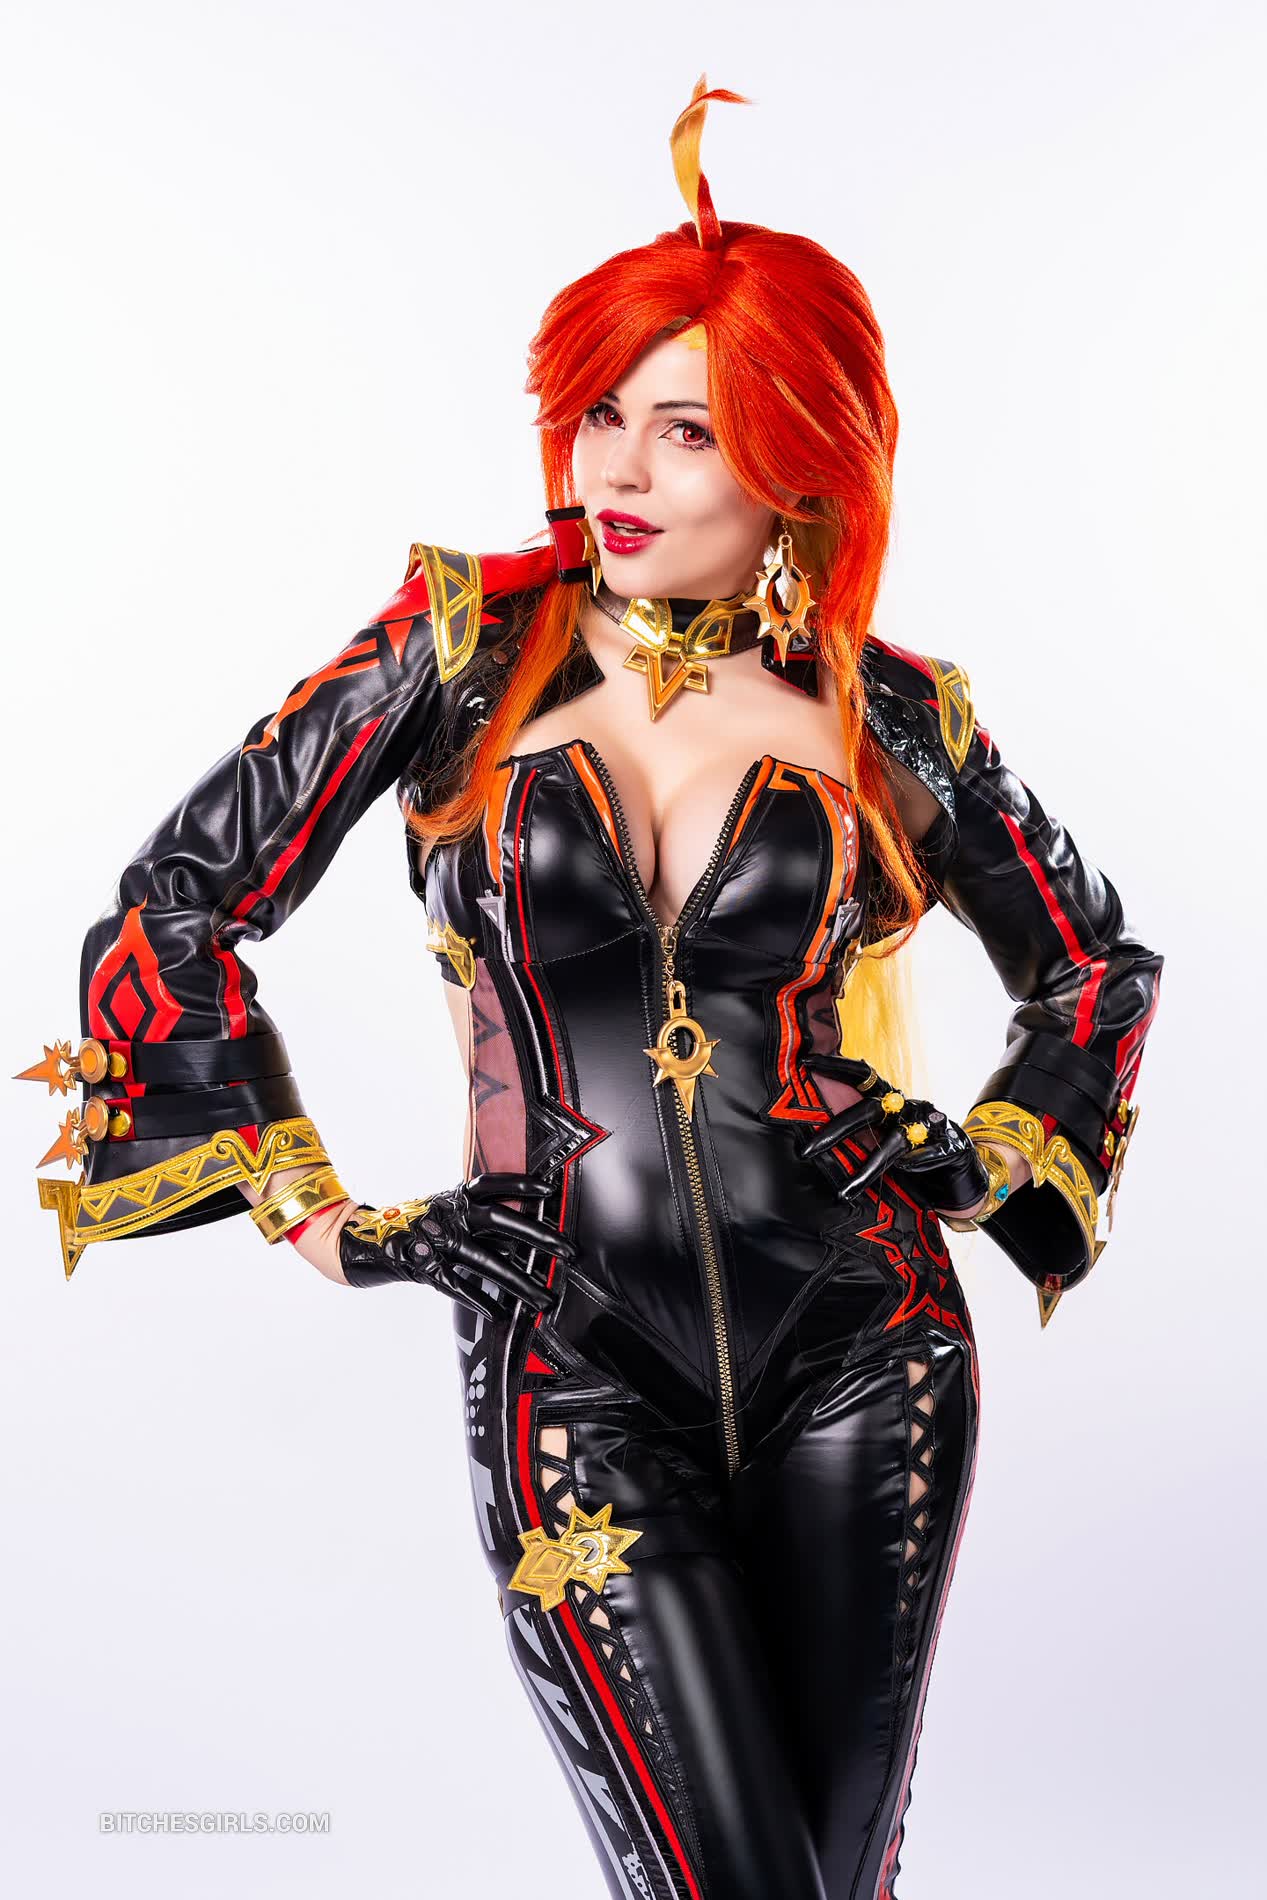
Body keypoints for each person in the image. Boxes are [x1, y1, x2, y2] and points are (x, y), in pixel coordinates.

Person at [20, 74, 1163, 1900]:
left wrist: (994, 1153)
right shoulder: (459, 653)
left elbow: (1093, 968)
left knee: (837, 1876)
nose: (614, 471)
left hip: (873, 1350)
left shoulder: (891, 713)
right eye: (600, 414)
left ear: (799, 459)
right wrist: (321, 1218)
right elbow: (176, 906)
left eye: (685, 430)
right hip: (566, 1356)